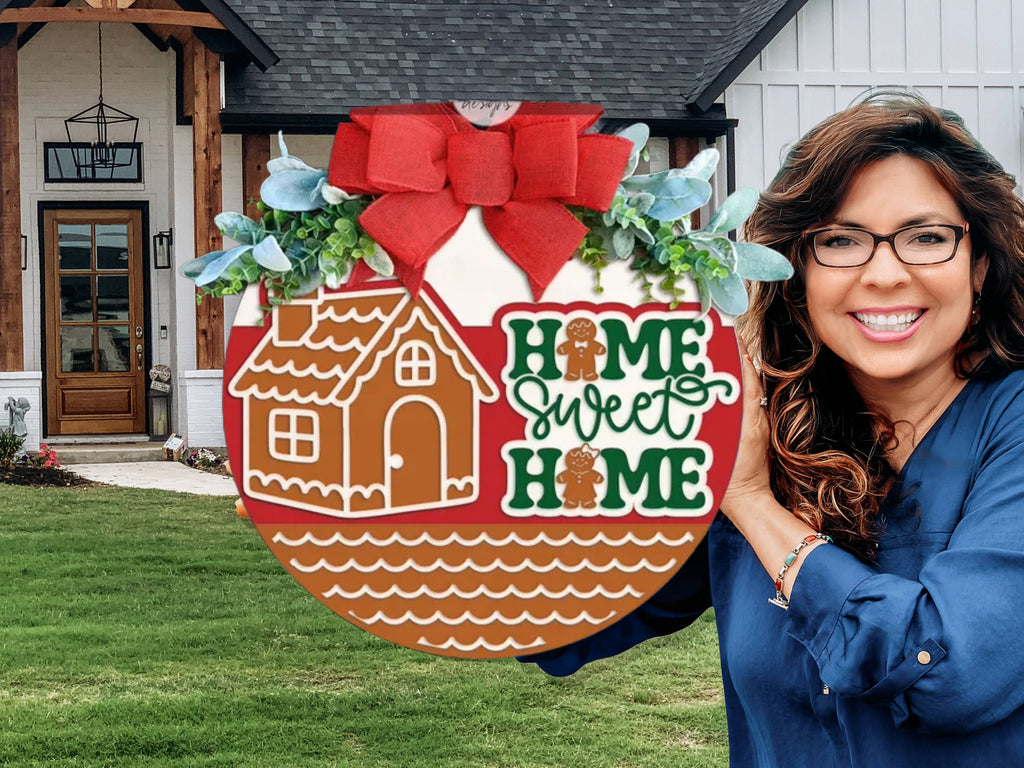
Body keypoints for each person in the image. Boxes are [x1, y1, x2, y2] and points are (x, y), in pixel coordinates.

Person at [521, 91, 1024, 766]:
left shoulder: (1008, 427)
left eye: (926, 237)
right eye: (840, 241)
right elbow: (560, 620)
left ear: (980, 263)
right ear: (799, 275)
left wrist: (753, 503)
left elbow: (948, 674)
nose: (883, 273)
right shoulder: (763, 428)